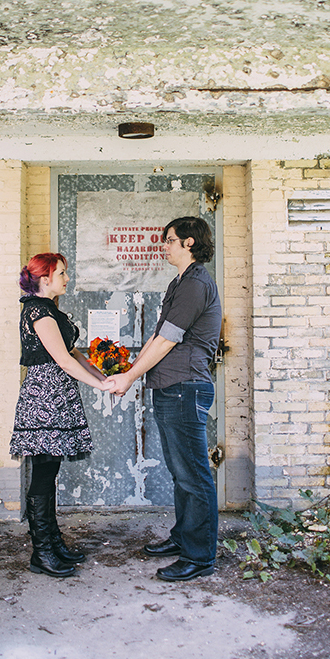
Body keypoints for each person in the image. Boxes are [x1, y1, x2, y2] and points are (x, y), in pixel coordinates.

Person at [104, 216, 222, 582]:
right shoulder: (182, 282)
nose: (165, 246)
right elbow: (158, 339)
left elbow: (169, 339)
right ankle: (184, 538)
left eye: (170, 240)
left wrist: (129, 377)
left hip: (186, 387)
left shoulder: (196, 283)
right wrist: (130, 373)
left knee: (194, 475)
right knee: (181, 471)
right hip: (173, 388)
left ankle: (200, 556)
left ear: (189, 242)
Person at [11, 253, 109, 578]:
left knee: (49, 472)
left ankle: (53, 544)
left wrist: (103, 374)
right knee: (43, 473)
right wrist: (102, 387)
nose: (67, 278)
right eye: (62, 273)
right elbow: (63, 362)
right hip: (45, 399)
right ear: (44, 279)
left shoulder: (49, 310)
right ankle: (42, 553)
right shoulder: (38, 312)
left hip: (56, 396)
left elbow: (73, 353)